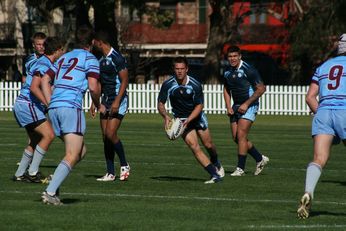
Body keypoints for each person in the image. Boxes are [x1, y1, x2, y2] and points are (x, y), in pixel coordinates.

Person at [40, 26, 105, 205]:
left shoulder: (64, 57)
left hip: (54, 109)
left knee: (81, 151)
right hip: (70, 107)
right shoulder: (90, 58)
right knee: (72, 153)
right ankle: (50, 192)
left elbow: (45, 80)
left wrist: (50, 101)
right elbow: (93, 86)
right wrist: (99, 105)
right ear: (92, 42)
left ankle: (56, 179)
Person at [297, 34, 346, 219]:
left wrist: (322, 112)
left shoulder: (324, 66)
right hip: (345, 110)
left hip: (323, 112)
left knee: (319, 158)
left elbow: (310, 97)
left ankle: (308, 191)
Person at [157, 56, 224, 184]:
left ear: (187, 69)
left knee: (208, 144)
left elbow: (199, 106)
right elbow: (160, 104)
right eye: (177, 69)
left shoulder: (195, 84)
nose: (179, 71)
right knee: (194, 146)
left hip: (197, 117)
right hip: (181, 120)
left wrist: (189, 119)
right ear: (174, 69)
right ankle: (215, 175)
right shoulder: (168, 84)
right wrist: (165, 116)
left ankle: (216, 161)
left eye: (182, 68)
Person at [12, 37, 65, 183]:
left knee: (35, 139)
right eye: (62, 49)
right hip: (28, 104)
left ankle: (20, 173)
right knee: (49, 135)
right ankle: (33, 172)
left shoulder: (47, 63)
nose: (63, 52)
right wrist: (48, 104)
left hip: (24, 105)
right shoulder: (44, 63)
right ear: (57, 50)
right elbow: (34, 87)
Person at [90, 31, 130, 182]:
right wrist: (94, 103)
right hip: (105, 101)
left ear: (101, 42)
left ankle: (125, 165)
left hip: (118, 101)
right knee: (105, 137)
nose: (93, 44)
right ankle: (110, 173)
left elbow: (125, 81)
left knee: (110, 134)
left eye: (95, 42)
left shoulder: (117, 58)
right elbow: (99, 83)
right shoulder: (100, 59)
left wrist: (117, 102)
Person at [223, 45, 269, 176]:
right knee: (236, 138)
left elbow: (261, 88)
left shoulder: (248, 69)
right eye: (230, 56)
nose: (232, 59)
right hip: (236, 106)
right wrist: (228, 106)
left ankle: (240, 169)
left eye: (235, 56)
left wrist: (246, 104)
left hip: (250, 105)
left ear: (240, 56)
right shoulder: (227, 71)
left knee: (241, 135)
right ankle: (260, 159)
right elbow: (226, 89)